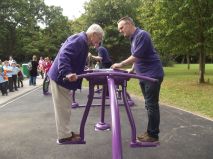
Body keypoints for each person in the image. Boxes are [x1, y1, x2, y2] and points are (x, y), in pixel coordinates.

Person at [48, 23, 104, 144]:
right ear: (93, 34)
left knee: (65, 107)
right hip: (60, 78)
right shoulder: (79, 39)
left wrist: (84, 69)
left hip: (62, 78)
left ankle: (66, 133)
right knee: (62, 108)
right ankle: (64, 136)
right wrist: (67, 72)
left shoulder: (82, 42)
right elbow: (64, 55)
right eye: (99, 38)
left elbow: (75, 59)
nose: (98, 42)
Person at [111, 16, 164, 144]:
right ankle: (151, 131)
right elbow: (139, 56)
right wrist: (133, 69)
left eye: (121, 27)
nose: (120, 31)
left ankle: (153, 135)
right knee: (148, 105)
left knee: (151, 105)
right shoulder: (134, 39)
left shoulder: (142, 35)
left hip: (151, 75)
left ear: (129, 24)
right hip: (144, 75)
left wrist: (121, 64)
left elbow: (136, 55)